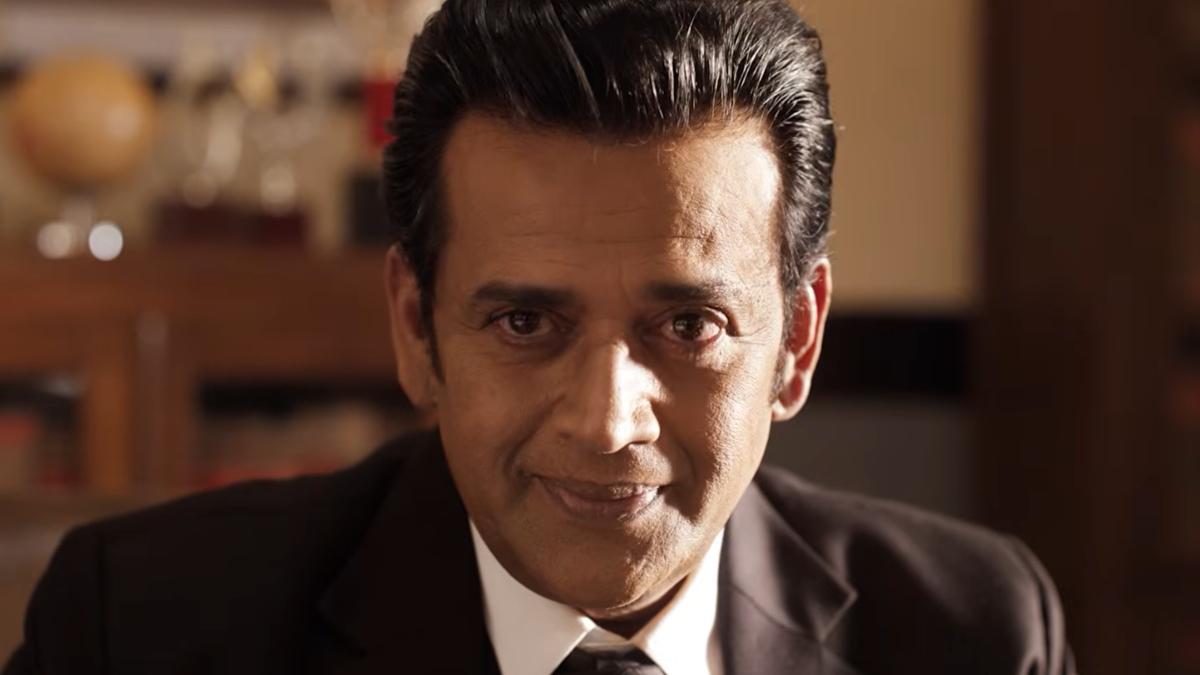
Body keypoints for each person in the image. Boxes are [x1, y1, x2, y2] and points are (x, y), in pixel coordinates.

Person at [4, 1, 1075, 673]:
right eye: (525, 321)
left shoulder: (975, 633)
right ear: (416, 327)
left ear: (796, 341)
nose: (606, 422)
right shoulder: (140, 628)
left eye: (688, 324)